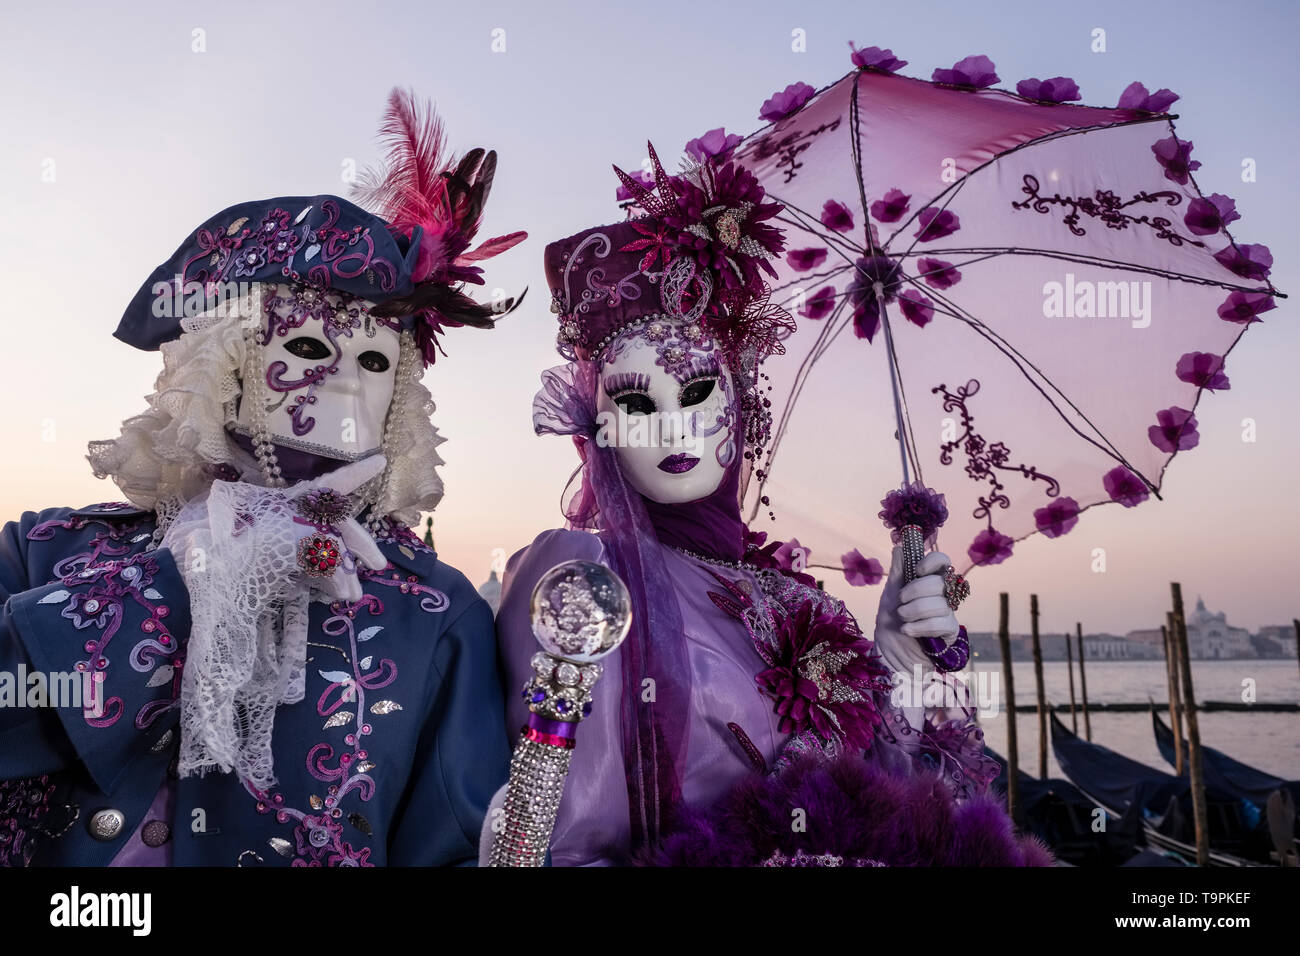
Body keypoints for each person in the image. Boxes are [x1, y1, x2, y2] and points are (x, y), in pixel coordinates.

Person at [487, 146, 1051, 866]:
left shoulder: (791, 597)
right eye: (635, 403)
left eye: (696, 394)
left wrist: (899, 669)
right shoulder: (584, 576)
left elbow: (891, 803)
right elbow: (554, 848)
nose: (672, 428)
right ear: (594, 425)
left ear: (739, 403)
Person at [0, 90, 522, 867]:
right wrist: (185, 585)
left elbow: (456, 848)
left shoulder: (435, 612)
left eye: (376, 360)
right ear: (225, 364)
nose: (346, 378)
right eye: (310, 347)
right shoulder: (48, 548)